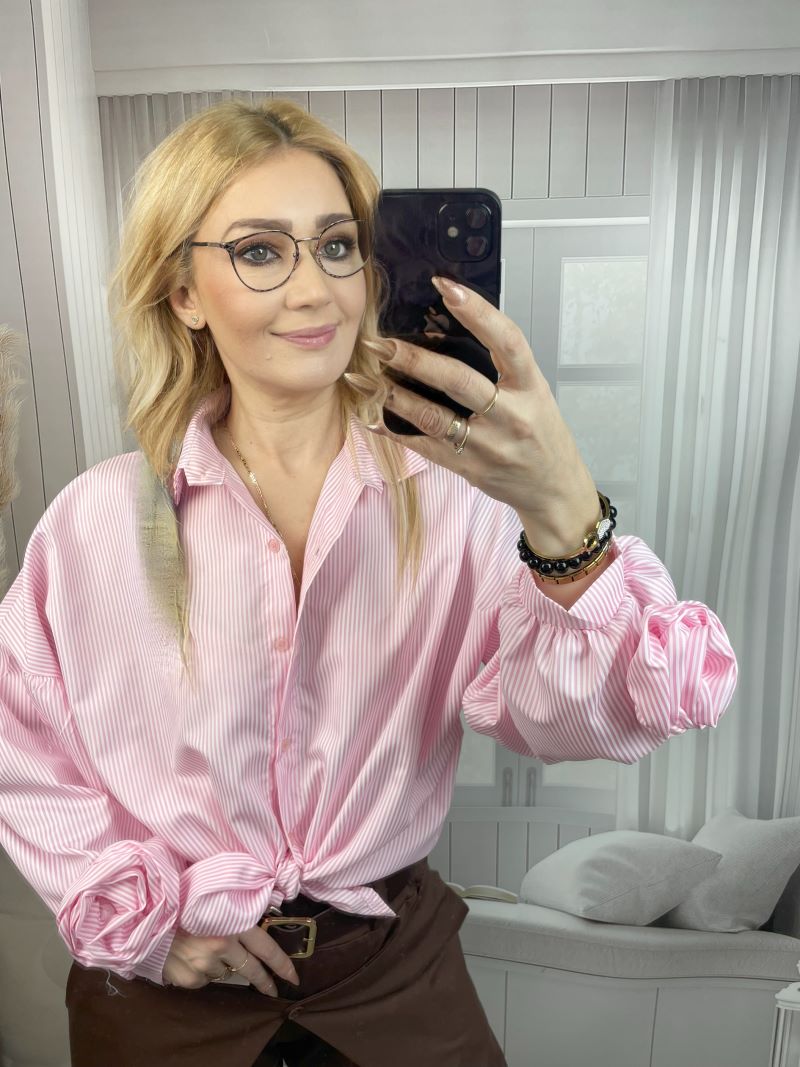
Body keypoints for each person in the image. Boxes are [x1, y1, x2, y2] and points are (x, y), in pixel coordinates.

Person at [0, 99, 737, 1067]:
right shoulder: (93, 523)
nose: (315, 289)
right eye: (260, 252)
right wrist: (147, 923)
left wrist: (562, 507)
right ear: (183, 292)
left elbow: (584, 718)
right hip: (160, 1005)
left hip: (393, 980)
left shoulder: (455, 503)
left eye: (338, 245)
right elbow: (20, 740)